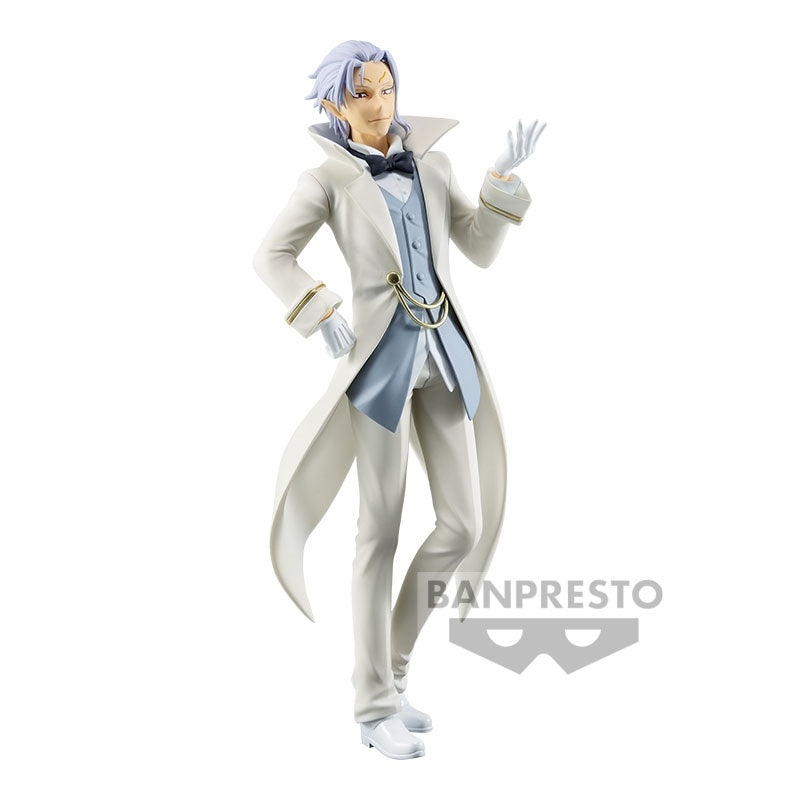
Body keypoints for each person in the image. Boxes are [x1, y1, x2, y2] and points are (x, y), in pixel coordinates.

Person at [253, 40, 545, 759]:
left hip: (442, 356)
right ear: (335, 103)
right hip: (380, 370)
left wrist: (501, 183)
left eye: (386, 89)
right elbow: (271, 256)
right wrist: (320, 311)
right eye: (363, 94)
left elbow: (476, 247)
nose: (379, 104)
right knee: (378, 531)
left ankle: (392, 669)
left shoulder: (433, 166)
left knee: (462, 525)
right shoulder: (326, 180)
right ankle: (372, 705)